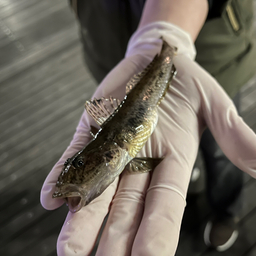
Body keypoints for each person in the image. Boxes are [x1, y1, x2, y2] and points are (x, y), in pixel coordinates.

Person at [41, 0, 256, 255]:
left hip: (216, 55)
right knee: (185, 151)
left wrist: (169, 28)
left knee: (220, 151)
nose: (76, 170)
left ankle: (227, 211)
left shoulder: (113, 152)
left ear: (109, 156)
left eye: (78, 164)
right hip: (110, 45)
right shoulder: (111, 155)